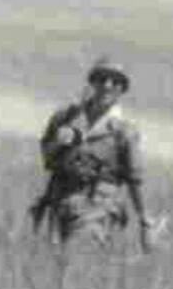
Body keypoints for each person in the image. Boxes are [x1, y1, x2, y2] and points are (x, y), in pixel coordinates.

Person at [31, 57, 153, 254]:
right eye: (101, 79)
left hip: (98, 206)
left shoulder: (124, 131)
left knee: (80, 255)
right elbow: (47, 160)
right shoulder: (65, 117)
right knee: (48, 261)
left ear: (122, 89)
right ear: (92, 82)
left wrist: (145, 222)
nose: (107, 86)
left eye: (115, 82)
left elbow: (135, 180)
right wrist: (59, 143)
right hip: (59, 202)